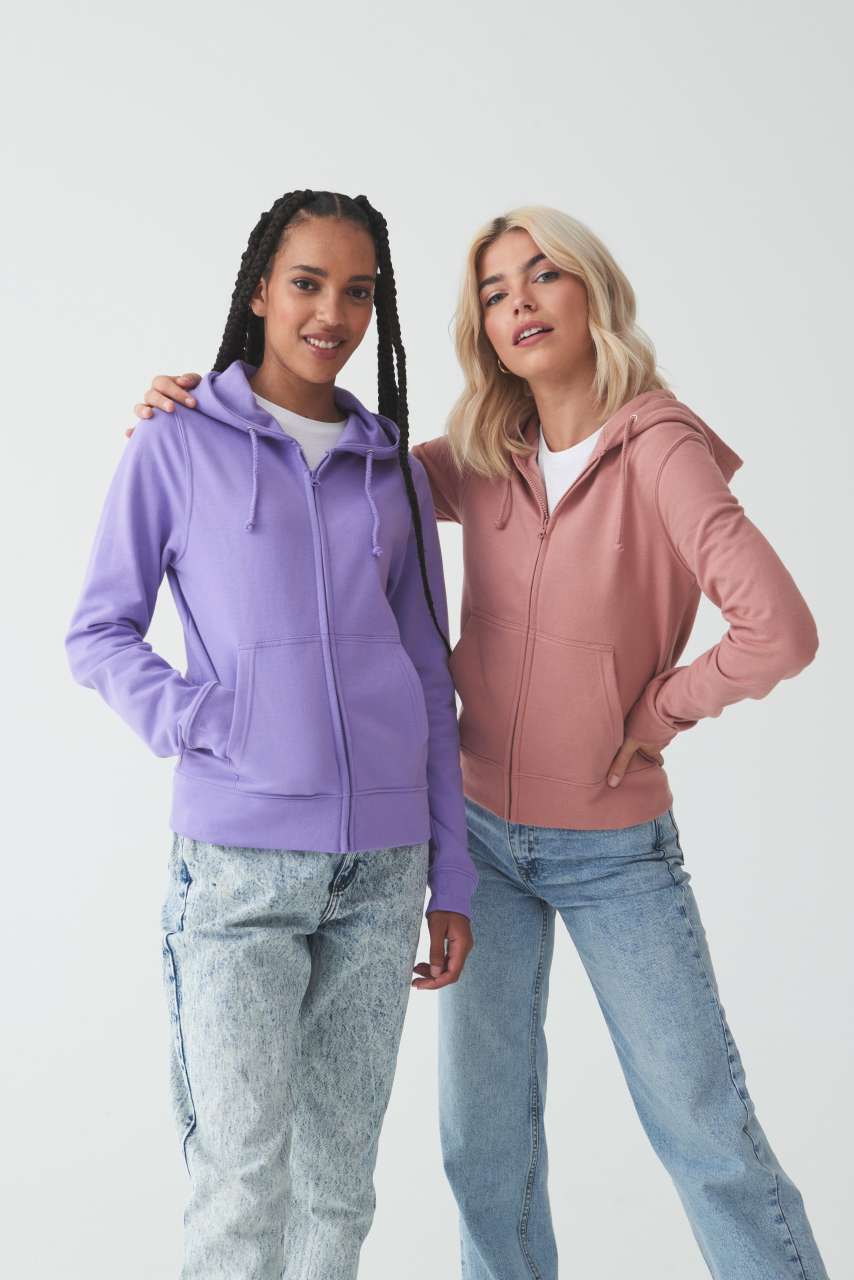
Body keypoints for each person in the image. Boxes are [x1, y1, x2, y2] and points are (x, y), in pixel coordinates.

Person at [132, 204, 829, 1279]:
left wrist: (654, 714)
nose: (520, 304)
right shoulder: (474, 457)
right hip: (484, 844)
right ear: (483, 329)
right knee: (484, 1152)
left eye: (542, 276)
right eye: (496, 292)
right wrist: (198, 414)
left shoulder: (661, 448)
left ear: (592, 292)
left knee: (704, 1134)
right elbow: (331, 475)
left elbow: (778, 630)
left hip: (612, 848)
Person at [67, 188, 475, 1280]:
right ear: (259, 290)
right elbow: (99, 630)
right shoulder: (177, 443)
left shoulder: (391, 469)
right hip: (238, 868)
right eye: (307, 282)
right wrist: (202, 718)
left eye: (358, 291)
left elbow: (428, 676)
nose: (331, 313)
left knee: (338, 1188)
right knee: (241, 1184)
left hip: (382, 870)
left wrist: (451, 874)